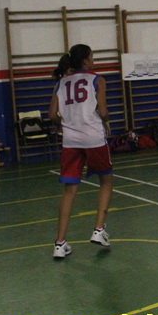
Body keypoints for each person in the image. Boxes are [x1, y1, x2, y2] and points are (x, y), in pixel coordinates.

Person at [48, 44, 113, 258]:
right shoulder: (97, 79)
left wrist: (62, 124)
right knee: (106, 182)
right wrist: (106, 121)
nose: (93, 59)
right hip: (93, 137)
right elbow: (102, 110)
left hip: (71, 140)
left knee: (69, 190)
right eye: (91, 56)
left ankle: (59, 244)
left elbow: (52, 114)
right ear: (85, 60)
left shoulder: (61, 82)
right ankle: (98, 229)